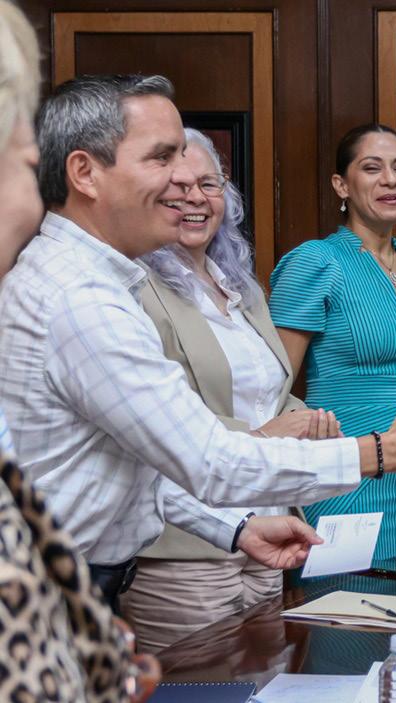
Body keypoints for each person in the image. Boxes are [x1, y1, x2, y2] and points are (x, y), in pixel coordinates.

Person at [0, 74, 396, 610]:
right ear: (85, 173)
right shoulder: (79, 298)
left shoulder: (98, 282)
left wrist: (235, 528)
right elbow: (207, 459)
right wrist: (386, 451)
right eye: (161, 158)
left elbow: (140, 464)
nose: (183, 183)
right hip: (52, 594)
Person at [120, 129, 338, 652]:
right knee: (200, 684)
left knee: (266, 681)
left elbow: (270, 391)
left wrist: (308, 422)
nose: (195, 198)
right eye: (178, 186)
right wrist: (264, 435)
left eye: (208, 184)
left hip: (270, 527)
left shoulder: (241, 287)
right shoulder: (132, 289)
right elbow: (147, 422)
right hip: (185, 548)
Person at [0, 3, 157, 699]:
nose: (30, 194)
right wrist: (378, 452)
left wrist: (88, 642)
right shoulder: (71, 292)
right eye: (20, 160)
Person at [269, 124, 396, 560]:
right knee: (345, 600)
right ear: (341, 185)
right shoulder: (314, 262)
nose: (390, 180)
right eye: (372, 168)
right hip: (343, 477)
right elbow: (270, 389)